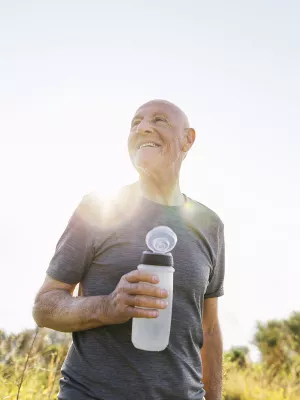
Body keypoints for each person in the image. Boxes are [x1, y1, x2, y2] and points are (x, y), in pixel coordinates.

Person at [33, 99, 225, 400]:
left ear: (188, 139)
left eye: (159, 120)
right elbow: (45, 306)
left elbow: (209, 329)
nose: (144, 127)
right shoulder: (98, 207)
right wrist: (107, 307)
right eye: (136, 122)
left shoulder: (209, 224)